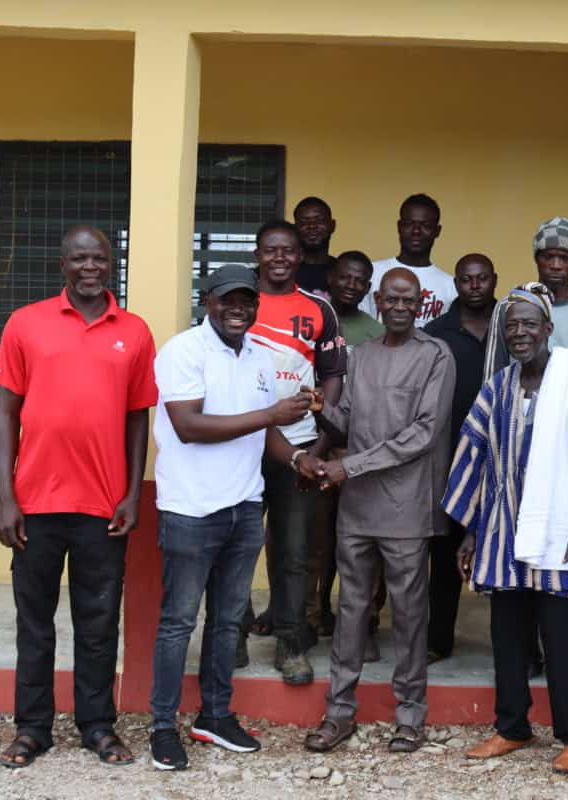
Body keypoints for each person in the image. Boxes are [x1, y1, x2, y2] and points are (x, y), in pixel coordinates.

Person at [0, 225, 157, 769]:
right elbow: (6, 416)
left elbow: (139, 419)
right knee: (34, 622)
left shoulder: (132, 331)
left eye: (101, 259)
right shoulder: (25, 323)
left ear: (113, 264)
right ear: (62, 265)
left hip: (103, 507)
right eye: (80, 259)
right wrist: (5, 498)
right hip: (34, 504)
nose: (92, 267)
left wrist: (132, 494)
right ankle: (33, 728)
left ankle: (97, 726)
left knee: (97, 621)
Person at [148, 264, 316, 770]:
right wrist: (272, 415)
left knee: (226, 622)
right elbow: (189, 425)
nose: (238, 308)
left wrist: (297, 459)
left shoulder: (262, 359)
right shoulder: (184, 351)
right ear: (210, 302)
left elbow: (265, 433)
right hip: (192, 510)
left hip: (244, 507)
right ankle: (161, 727)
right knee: (178, 623)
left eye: (248, 300)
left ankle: (214, 715)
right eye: (228, 300)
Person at [445, 283, 568, 775]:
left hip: (563, 533)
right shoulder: (497, 385)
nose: (520, 332)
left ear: (548, 329)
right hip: (502, 534)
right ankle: (512, 726)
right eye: (511, 325)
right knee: (509, 639)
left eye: (529, 323)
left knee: (564, 642)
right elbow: (474, 450)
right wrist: (472, 529)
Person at [304, 267, 455, 754]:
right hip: (358, 505)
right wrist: (318, 407)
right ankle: (338, 712)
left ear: (421, 304)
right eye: (391, 298)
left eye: (408, 299)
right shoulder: (360, 356)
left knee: (410, 614)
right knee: (352, 610)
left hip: (407, 504)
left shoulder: (435, 355)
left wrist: (352, 467)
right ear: (378, 301)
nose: (398, 306)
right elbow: (348, 421)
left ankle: (410, 715)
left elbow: (424, 432)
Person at [239, 219, 346, 685]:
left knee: (295, 548)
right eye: (270, 250)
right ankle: (231, 636)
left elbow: (333, 375)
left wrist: (322, 438)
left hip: (300, 445)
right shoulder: (238, 302)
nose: (279, 258)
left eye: (288, 250)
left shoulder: (319, 308)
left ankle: (289, 640)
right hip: (238, 446)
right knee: (235, 546)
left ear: (300, 256)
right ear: (258, 254)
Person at [423, 253, 497, 662]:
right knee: (446, 552)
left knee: (506, 550)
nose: (474, 285)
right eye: (466, 279)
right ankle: (438, 639)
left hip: (504, 456)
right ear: (457, 283)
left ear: (493, 280)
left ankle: (517, 646)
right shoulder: (437, 334)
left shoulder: (513, 326)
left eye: (481, 278)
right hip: (451, 458)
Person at [314, 250, 387, 658]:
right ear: (332, 276)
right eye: (345, 277)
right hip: (311, 442)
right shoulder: (314, 316)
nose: (352, 286)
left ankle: (365, 623)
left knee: (361, 543)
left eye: (361, 280)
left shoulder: (376, 331)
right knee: (319, 539)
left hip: (357, 448)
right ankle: (315, 614)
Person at [483, 217, 568, 384]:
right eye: (548, 257)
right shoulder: (510, 305)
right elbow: (492, 375)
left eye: (565, 258)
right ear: (536, 259)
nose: (555, 265)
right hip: (520, 405)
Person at [360, 193, 457, 327]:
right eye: (409, 224)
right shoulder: (372, 272)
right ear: (399, 226)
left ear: (437, 230)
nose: (416, 231)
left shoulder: (450, 286)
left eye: (426, 225)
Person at [294, 196, 337, 297]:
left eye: (320, 220)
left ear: (332, 226)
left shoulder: (341, 272)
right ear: (295, 228)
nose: (312, 226)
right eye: (304, 222)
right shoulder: (283, 271)